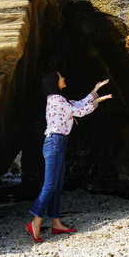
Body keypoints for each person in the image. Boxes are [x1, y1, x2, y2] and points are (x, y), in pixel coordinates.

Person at [25, 70, 112, 243]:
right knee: (50, 186)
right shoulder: (56, 99)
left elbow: (78, 104)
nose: (64, 78)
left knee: (57, 185)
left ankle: (56, 223)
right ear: (54, 81)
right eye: (60, 77)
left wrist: (96, 90)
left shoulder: (59, 99)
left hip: (58, 143)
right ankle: (35, 221)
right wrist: (97, 102)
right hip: (54, 143)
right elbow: (78, 112)